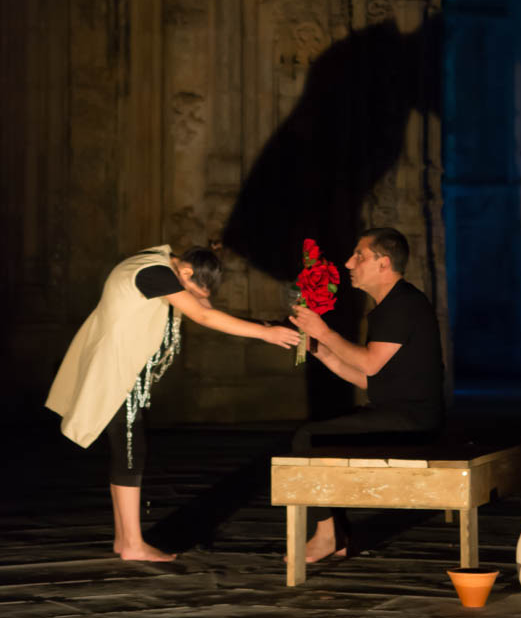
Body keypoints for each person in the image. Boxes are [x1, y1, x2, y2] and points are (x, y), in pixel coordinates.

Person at [46, 244, 298, 562]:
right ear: (187, 272)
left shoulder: (163, 265)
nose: (192, 298)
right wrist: (265, 335)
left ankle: (125, 539)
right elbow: (203, 315)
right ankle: (132, 544)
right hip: (116, 375)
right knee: (130, 452)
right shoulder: (154, 272)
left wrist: (265, 325)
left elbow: (204, 307)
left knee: (128, 451)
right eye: (192, 291)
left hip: (122, 373)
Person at [289, 227, 444, 563]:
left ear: (383, 263)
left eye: (359, 255)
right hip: (399, 414)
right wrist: (319, 349)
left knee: (309, 438)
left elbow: (370, 364)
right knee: (317, 436)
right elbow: (368, 379)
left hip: (414, 423)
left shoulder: (402, 304)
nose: (348, 263)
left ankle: (327, 535)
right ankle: (338, 534)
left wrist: (324, 332)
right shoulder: (392, 304)